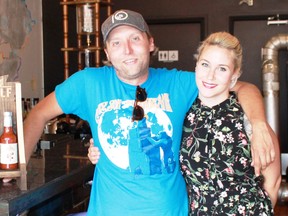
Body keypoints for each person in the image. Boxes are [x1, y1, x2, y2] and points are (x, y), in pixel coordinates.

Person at [24, 9, 276, 216]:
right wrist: (17, 179)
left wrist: (259, 124)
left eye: (135, 38)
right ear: (107, 52)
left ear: (150, 43)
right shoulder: (88, 83)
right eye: (117, 42)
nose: (127, 49)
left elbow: (243, 86)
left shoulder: (180, 83)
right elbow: (37, 115)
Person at [180, 32, 281, 215]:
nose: (210, 76)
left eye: (222, 69)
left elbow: (272, 183)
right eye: (205, 65)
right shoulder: (182, 112)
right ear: (196, 66)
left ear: (234, 75)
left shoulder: (249, 116)